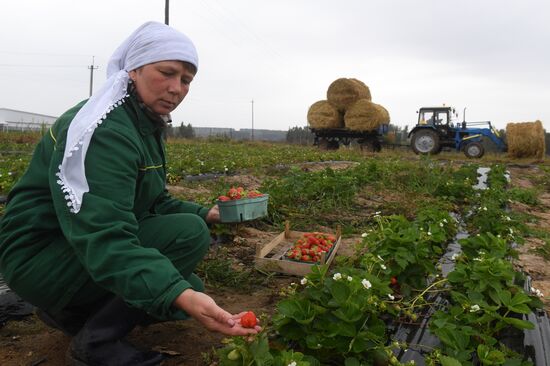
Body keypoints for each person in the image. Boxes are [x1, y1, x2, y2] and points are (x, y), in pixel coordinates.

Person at [0, 21, 260, 365]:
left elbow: (153, 201)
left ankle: (71, 314)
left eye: (186, 80)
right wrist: (177, 293)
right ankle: (96, 344)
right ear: (133, 69)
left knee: (188, 282)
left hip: (66, 247)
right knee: (186, 245)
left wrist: (207, 213)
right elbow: (105, 235)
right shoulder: (106, 130)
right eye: (166, 72)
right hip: (39, 256)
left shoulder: (141, 122)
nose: (176, 88)